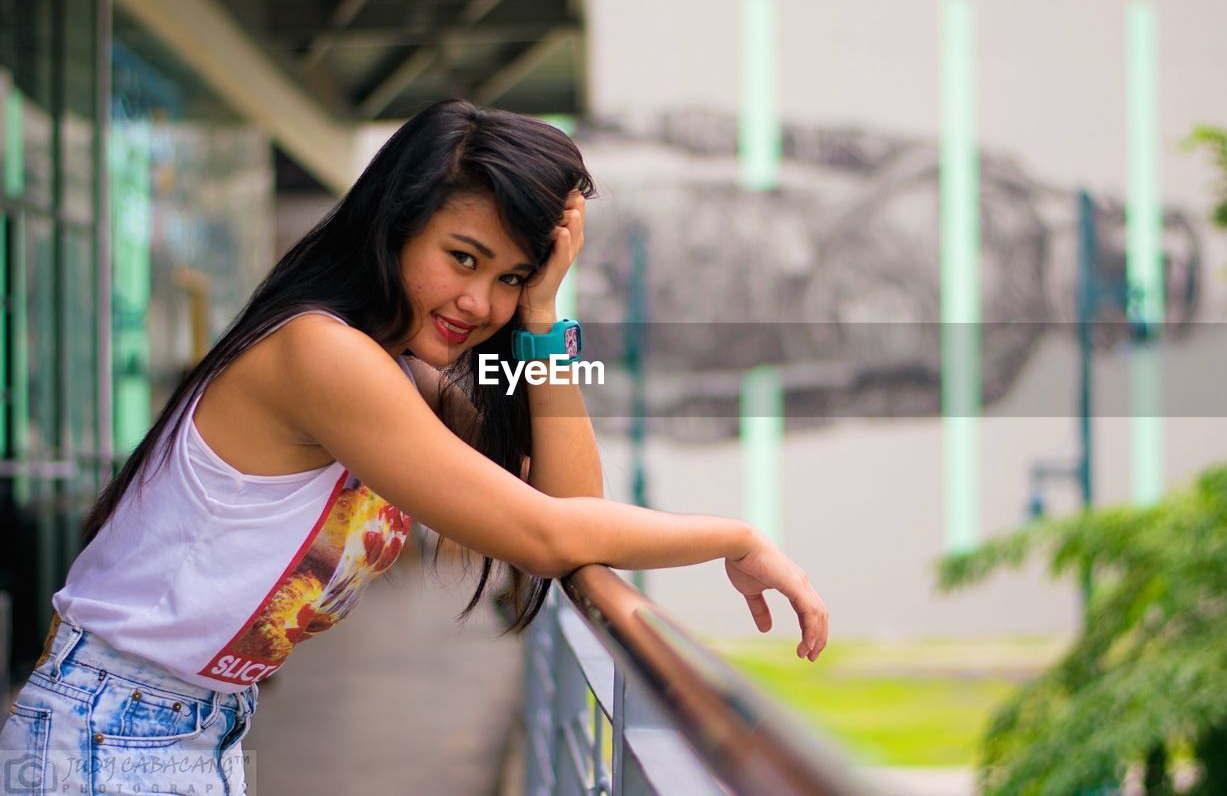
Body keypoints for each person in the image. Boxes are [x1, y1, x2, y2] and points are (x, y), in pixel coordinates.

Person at [0, 99, 828, 794]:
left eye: (510, 276)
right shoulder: (323, 357)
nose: (479, 301)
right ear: (396, 226)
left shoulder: (399, 376)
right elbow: (552, 538)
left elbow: (566, 506)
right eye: (462, 258)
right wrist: (739, 535)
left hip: (178, 728)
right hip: (111, 733)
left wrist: (543, 319)